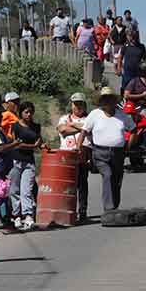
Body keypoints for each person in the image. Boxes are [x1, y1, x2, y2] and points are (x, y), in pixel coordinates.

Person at [78, 88, 135, 211]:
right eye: (104, 99)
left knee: (116, 179)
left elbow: (133, 130)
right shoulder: (95, 114)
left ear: (114, 100)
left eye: (109, 98)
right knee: (107, 175)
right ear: (101, 101)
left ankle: (114, 206)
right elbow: (84, 131)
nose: (107, 101)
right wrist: (79, 147)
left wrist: (128, 147)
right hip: (100, 153)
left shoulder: (122, 115)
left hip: (118, 153)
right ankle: (108, 208)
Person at [8, 101, 47, 231]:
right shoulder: (15, 126)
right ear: (21, 113)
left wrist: (42, 146)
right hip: (16, 160)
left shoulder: (36, 126)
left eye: (31, 112)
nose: (29, 114)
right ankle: (16, 215)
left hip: (29, 161)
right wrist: (33, 146)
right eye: (26, 112)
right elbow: (17, 144)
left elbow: (39, 141)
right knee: (14, 190)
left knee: (26, 189)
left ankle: (28, 215)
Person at [56, 93, 92, 223]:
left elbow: (89, 130)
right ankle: (68, 211)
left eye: (80, 104)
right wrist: (82, 129)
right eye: (75, 104)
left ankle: (82, 211)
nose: (78, 107)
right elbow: (63, 130)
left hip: (83, 157)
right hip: (66, 158)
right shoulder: (64, 118)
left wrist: (75, 126)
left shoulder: (89, 118)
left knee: (82, 186)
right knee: (67, 187)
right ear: (71, 105)